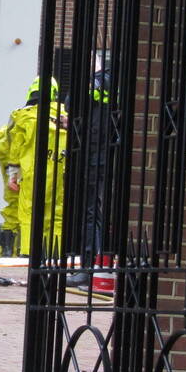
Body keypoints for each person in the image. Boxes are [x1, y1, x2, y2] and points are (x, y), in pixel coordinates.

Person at [6, 76, 66, 256]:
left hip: (34, 172)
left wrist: (12, 174)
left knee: (29, 213)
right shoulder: (65, 115)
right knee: (56, 215)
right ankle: (53, 254)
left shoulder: (24, 115)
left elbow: (15, 146)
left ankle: (28, 252)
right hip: (60, 171)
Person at [67, 69, 112, 288]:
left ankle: (89, 268)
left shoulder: (101, 79)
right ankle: (100, 268)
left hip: (97, 158)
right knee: (98, 214)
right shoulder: (117, 77)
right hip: (104, 156)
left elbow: (71, 103)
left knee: (91, 213)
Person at [0, 107, 24, 257]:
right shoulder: (26, 119)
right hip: (16, 165)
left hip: (13, 163)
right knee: (16, 207)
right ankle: (10, 252)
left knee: (14, 208)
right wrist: (13, 171)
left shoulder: (19, 118)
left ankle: (9, 252)